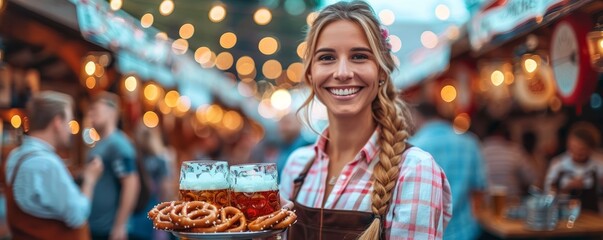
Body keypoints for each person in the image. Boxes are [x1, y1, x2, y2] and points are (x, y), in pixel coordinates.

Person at [279, 2, 452, 239]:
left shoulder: (414, 170)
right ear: (310, 73)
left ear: (381, 71)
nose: (342, 72)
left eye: (359, 56)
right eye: (327, 57)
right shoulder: (296, 166)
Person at [2, 91, 103, 239]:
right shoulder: (47, 164)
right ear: (57, 122)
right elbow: (78, 215)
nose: (70, 130)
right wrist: (90, 180)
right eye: (68, 122)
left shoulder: (15, 156)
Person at [410, 103, 486, 240]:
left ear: (416, 116)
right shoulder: (470, 142)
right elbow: (480, 189)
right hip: (466, 232)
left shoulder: (412, 147)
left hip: (429, 234)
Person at [87, 92, 139, 240]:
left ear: (112, 111)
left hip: (109, 230)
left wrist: (119, 226)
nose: (91, 113)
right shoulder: (101, 144)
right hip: (97, 228)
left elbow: (131, 183)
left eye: (95, 109)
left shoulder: (118, 144)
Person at [128, 123, 173, 240]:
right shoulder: (161, 160)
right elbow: (165, 189)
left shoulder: (135, 159)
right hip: (153, 207)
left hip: (135, 209)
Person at [545, 121, 603, 212]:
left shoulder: (599, 164)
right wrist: (566, 188)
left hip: (593, 215)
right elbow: (548, 194)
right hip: (563, 213)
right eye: (573, 148)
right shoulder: (558, 164)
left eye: (582, 150)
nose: (577, 153)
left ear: (591, 148)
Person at [482, 121, 535, 198]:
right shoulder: (515, 151)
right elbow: (531, 179)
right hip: (513, 203)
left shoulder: (479, 150)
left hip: (486, 204)